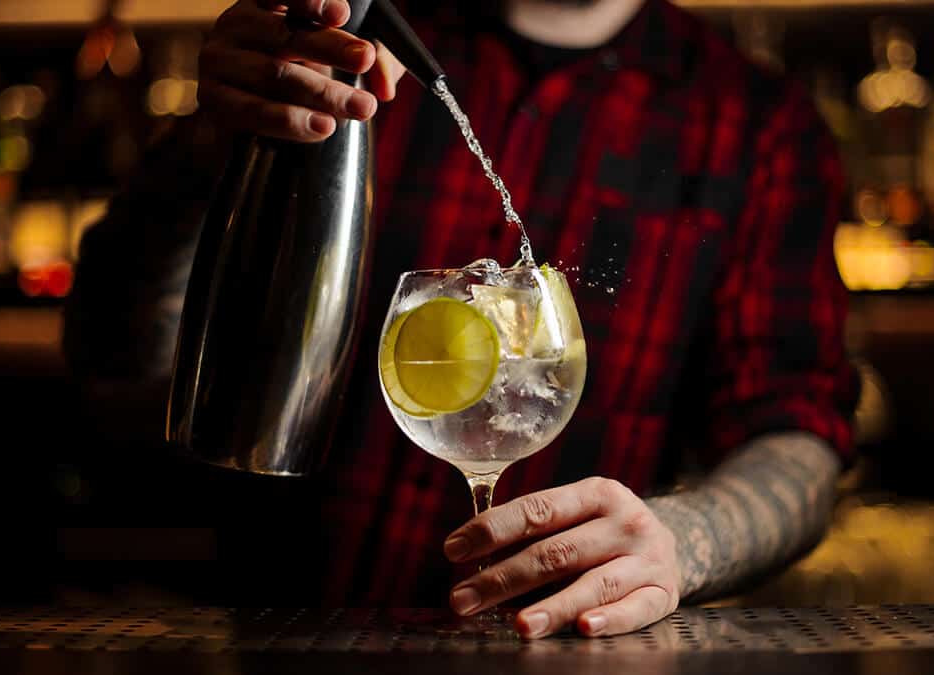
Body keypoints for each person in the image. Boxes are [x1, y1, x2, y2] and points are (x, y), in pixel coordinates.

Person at [64, 0, 858, 639]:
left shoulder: (755, 124)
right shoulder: (349, 53)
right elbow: (114, 349)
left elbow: (796, 437)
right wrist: (216, 141)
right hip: (285, 642)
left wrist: (680, 541)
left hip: (563, 650)